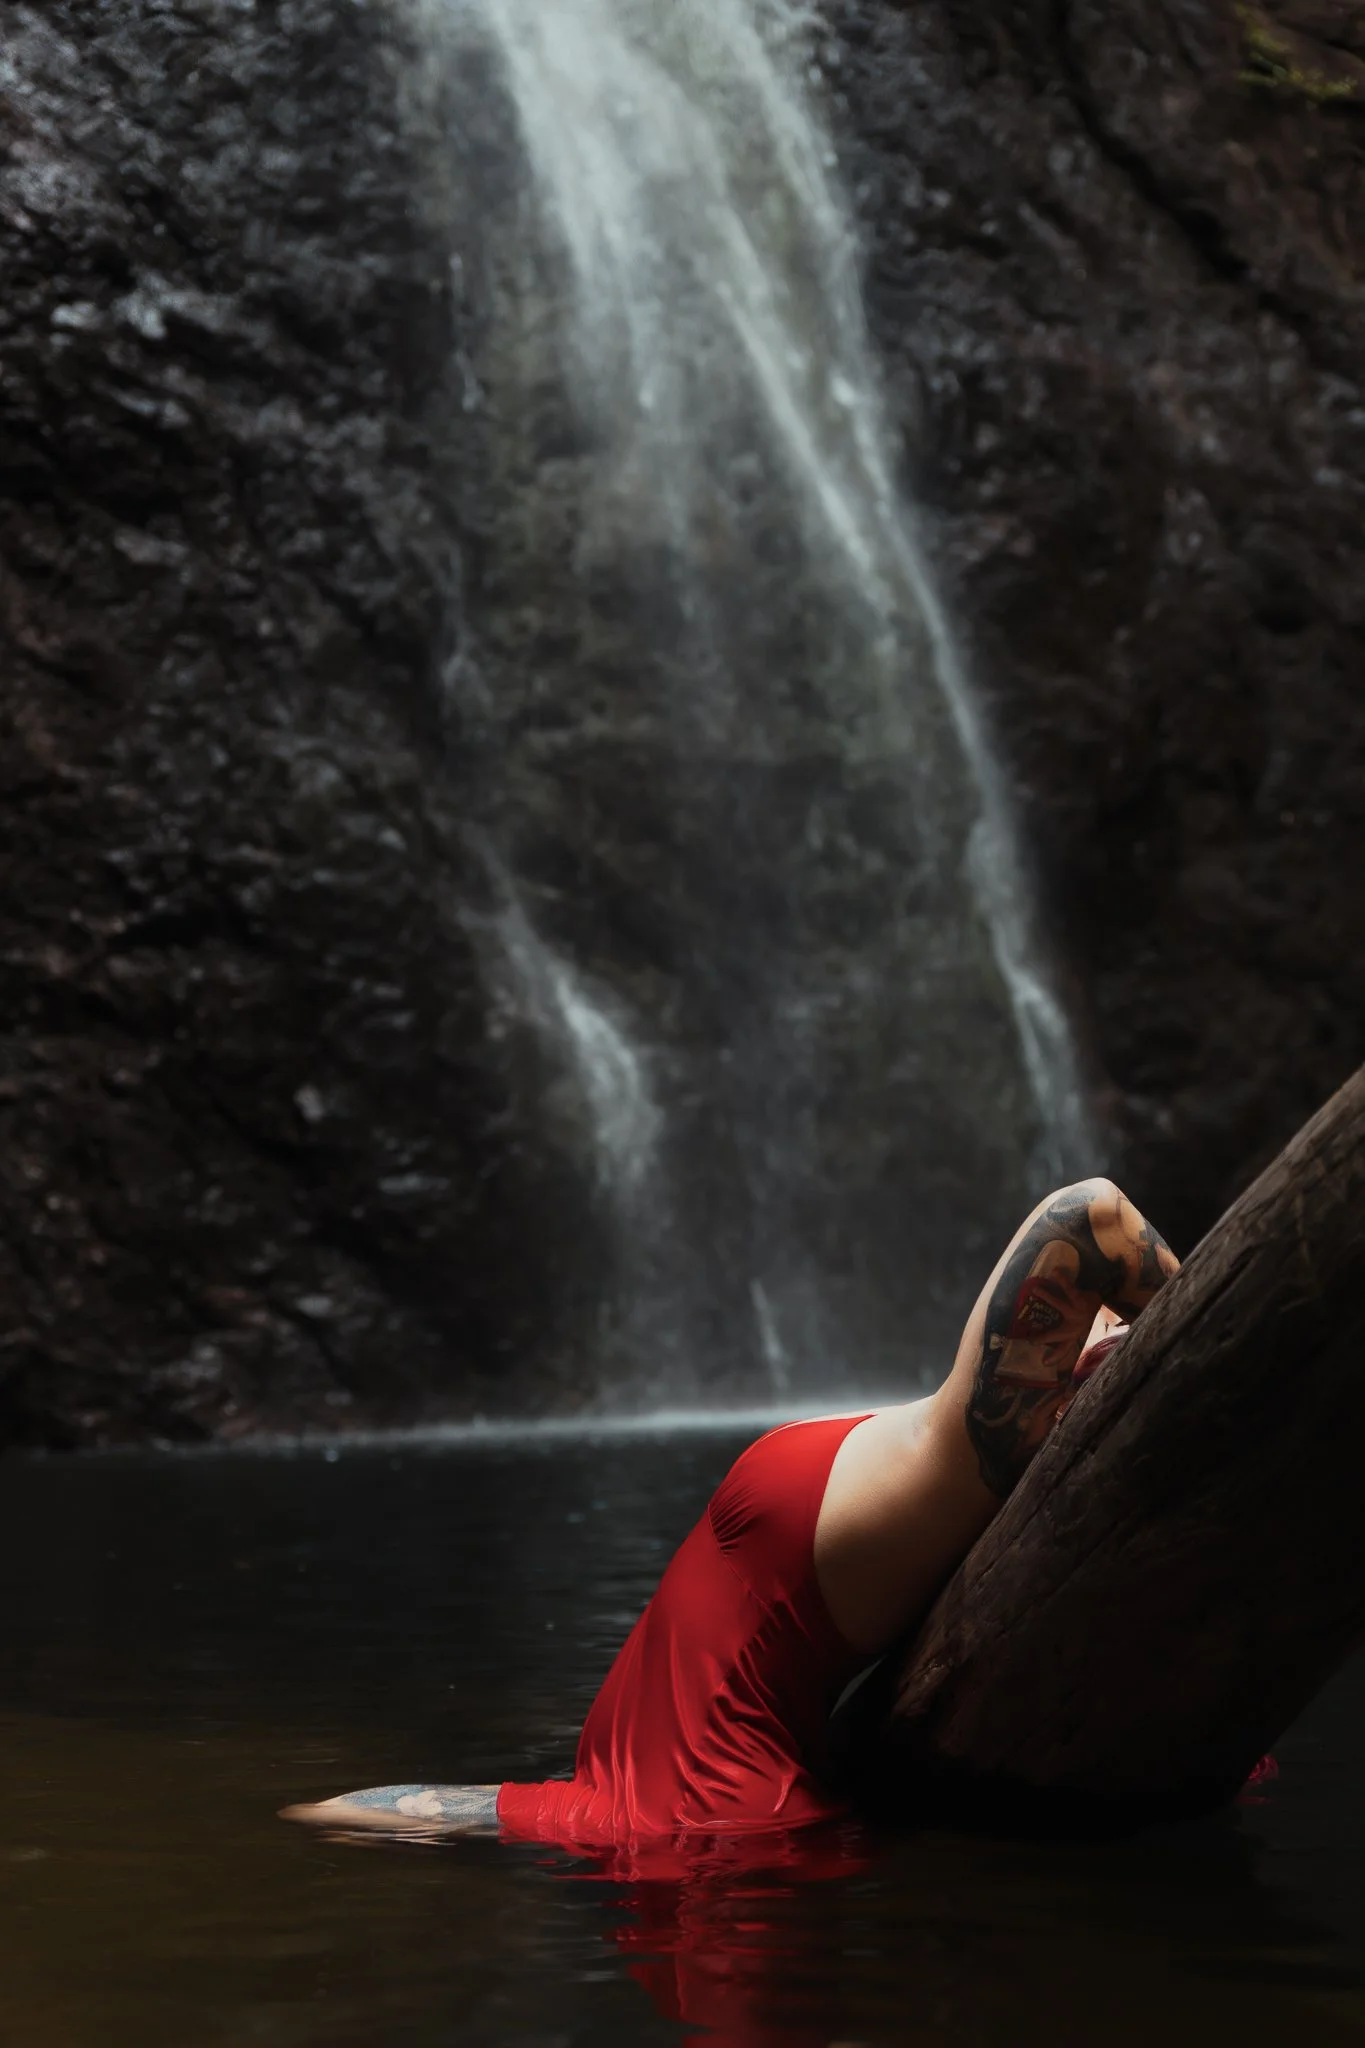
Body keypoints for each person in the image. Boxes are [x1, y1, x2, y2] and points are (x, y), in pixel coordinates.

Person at [282, 1177, 1178, 1846]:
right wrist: (1176, 1328)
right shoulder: (989, 1438)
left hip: (704, 1782)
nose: (1105, 1324)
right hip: (691, 1783)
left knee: (366, 1814)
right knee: (374, 1812)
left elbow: (1090, 1215)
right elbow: (1091, 1216)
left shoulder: (994, 1441)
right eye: (1108, 1327)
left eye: (1114, 1340)